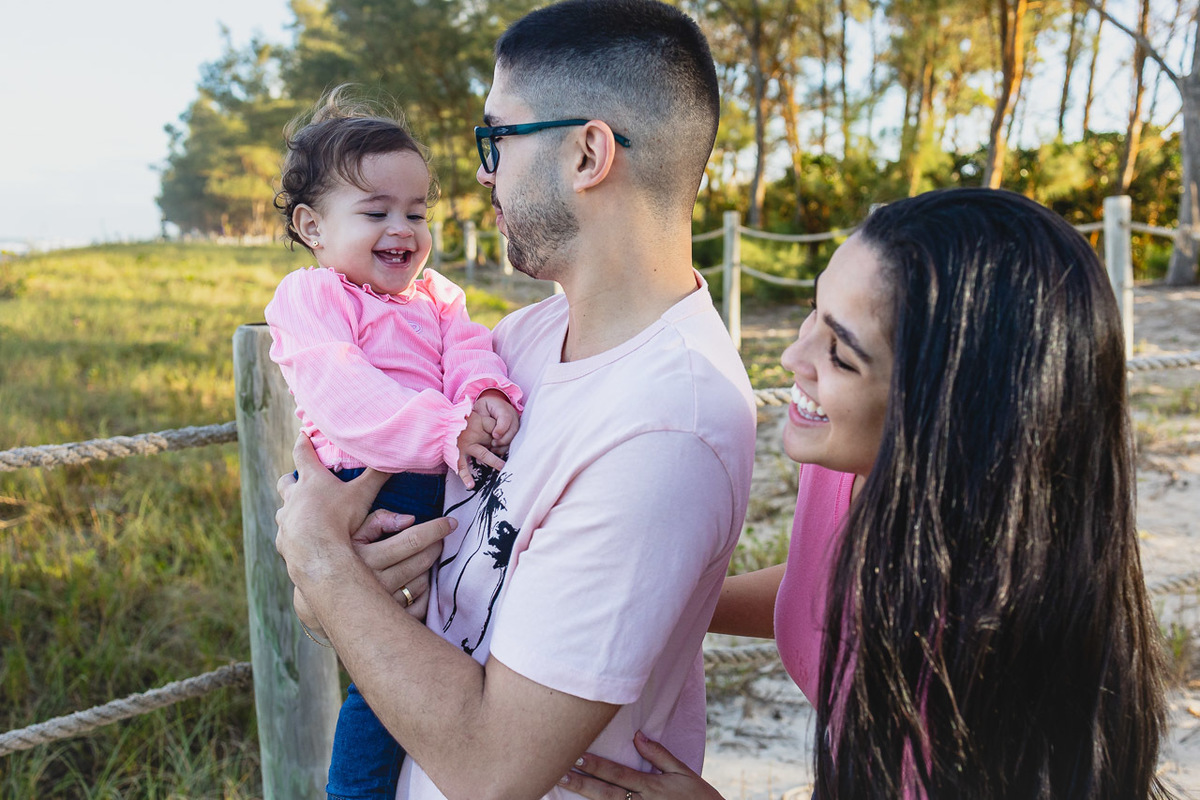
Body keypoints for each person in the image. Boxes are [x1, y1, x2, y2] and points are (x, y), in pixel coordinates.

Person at [273, 2, 757, 799]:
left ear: (587, 153)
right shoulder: (524, 340)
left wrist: (320, 562)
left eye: (497, 139)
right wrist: (340, 581)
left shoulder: (667, 427)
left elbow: (491, 770)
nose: (483, 173)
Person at [561, 188, 1174, 799]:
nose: (792, 356)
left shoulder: (972, 664)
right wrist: (660, 599)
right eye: (814, 311)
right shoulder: (843, 454)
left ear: (948, 411)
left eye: (841, 355)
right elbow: (824, 584)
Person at [265, 89, 523, 800]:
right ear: (313, 227)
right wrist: (447, 429)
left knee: (438, 652)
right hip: (368, 492)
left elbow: (466, 350)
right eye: (376, 212)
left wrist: (485, 393)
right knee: (383, 677)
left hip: (440, 486)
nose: (401, 230)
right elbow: (343, 395)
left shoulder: (436, 295)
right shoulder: (313, 297)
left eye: (416, 212)